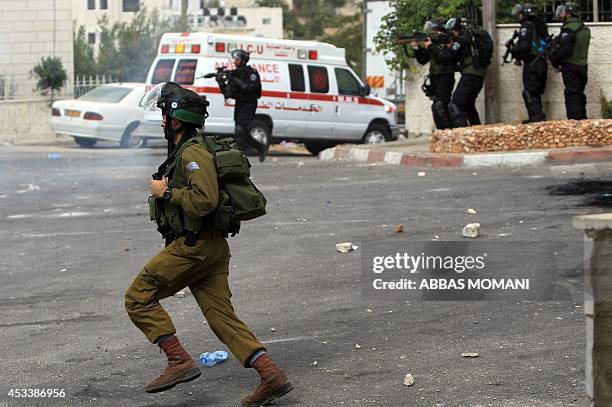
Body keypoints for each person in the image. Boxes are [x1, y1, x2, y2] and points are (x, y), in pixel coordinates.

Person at [125, 82, 292, 406]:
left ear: (175, 120)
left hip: (194, 247)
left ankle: (178, 361)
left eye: (163, 115)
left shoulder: (192, 152)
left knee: (137, 298)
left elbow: (205, 200)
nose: (161, 121)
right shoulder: (189, 149)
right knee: (221, 318)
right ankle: (271, 375)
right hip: (211, 249)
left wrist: (167, 193)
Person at [405, 20, 458, 130]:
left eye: (435, 31)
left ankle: (450, 130)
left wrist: (431, 45)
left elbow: (444, 57)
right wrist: (416, 48)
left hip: (445, 77)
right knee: (435, 106)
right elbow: (423, 60)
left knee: (441, 105)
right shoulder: (433, 43)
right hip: (435, 77)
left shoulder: (447, 41)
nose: (433, 33)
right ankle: (441, 132)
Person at [216, 49, 267, 161]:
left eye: (237, 59)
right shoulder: (233, 73)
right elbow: (228, 94)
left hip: (249, 103)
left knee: (240, 130)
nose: (235, 61)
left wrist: (232, 77)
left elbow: (248, 88)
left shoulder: (251, 73)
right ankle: (260, 147)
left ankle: (243, 151)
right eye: (234, 59)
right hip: (240, 103)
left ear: (244, 60)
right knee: (241, 131)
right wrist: (220, 82)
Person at [446, 17, 493, 128]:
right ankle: (477, 133)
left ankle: (462, 134)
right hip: (479, 75)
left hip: (470, 75)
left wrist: (448, 47)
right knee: (468, 105)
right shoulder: (475, 37)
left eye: (454, 31)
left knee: (456, 104)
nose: (453, 33)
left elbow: (450, 55)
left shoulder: (463, 39)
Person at [549, 2, 591, 120]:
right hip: (583, 66)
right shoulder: (584, 28)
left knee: (572, 95)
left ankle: (575, 124)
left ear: (568, 13)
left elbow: (565, 50)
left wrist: (553, 57)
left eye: (563, 12)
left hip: (571, 66)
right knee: (579, 94)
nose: (561, 14)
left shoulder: (569, 29)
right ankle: (582, 121)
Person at [510, 3, 550, 123]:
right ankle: (538, 118)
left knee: (529, 92)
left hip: (532, 62)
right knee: (535, 91)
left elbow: (524, 47)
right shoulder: (540, 25)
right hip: (541, 61)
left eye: (520, 15)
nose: (518, 17)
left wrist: (513, 51)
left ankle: (536, 119)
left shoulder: (526, 26)